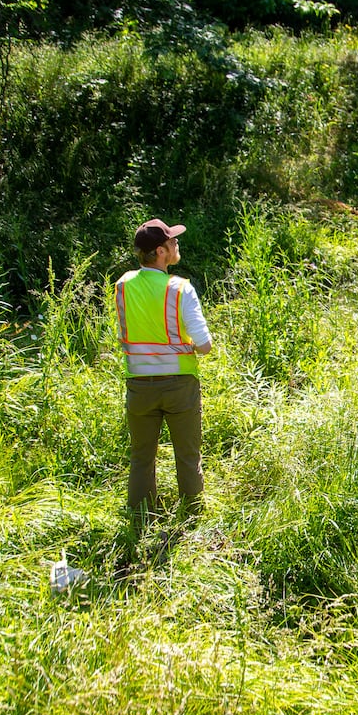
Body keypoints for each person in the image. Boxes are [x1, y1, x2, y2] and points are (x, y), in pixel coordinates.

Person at [114, 218, 213, 523]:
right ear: (160, 251)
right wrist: (187, 346)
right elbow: (204, 344)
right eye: (172, 242)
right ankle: (192, 517)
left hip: (139, 386)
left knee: (141, 457)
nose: (176, 245)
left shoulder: (123, 285)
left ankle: (140, 518)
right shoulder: (179, 288)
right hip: (179, 386)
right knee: (187, 454)